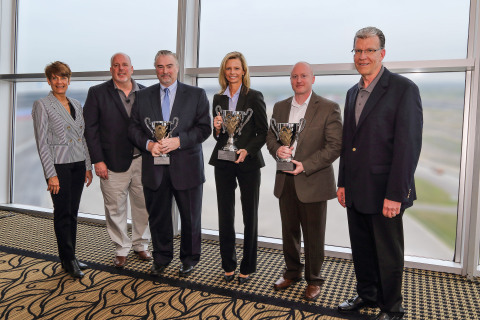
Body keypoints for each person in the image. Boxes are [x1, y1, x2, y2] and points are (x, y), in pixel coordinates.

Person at [337, 27, 423, 320]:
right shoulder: (352, 93)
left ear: (382, 54)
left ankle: (391, 307)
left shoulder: (403, 89)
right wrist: (342, 182)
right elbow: (349, 143)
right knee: (361, 248)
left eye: (369, 50)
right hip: (357, 188)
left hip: (386, 190)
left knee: (387, 253)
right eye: (358, 51)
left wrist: (396, 194)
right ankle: (368, 294)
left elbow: (408, 147)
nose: (363, 56)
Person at [128, 50, 211, 277]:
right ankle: (162, 257)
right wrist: (148, 145)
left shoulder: (196, 94)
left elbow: (205, 129)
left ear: (177, 67)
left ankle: (189, 259)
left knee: (190, 217)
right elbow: (133, 128)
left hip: (187, 167)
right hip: (154, 167)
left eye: (169, 66)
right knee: (159, 216)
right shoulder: (143, 96)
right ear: (156, 68)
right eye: (160, 67)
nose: (165, 71)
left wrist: (179, 141)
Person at [266, 62, 342, 301]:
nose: (299, 80)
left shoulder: (328, 107)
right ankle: (292, 272)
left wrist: (306, 165)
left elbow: (335, 146)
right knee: (289, 232)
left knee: (313, 235)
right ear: (291, 80)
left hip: (313, 180)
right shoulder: (279, 107)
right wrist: (277, 150)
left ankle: (314, 279)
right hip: (285, 179)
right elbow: (271, 138)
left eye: (303, 76)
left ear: (313, 79)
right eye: (294, 76)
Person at [84, 53, 152, 268]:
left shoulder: (146, 92)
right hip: (111, 162)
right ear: (111, 69)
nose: (121, 69)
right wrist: (98, 160)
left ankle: (141, 244)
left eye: (125, 65)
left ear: (132, 68)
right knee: (115, 208)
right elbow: (91, 130)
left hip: (143, 159)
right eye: (116, 65)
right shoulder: (96, 93)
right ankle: (121, 248)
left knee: (144, 205)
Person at [208, 52, 268, 284]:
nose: (232, 72)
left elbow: (262, 131)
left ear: (243, 71)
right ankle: (228, 264)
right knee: (225, 214)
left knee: (249, 214)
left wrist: (247, 150)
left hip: (248, 162)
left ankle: (248, 265)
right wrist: (217, 128)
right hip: (223, 161)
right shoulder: (217, 99)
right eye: (228, 68)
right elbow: (219, 137)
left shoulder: (254, 96)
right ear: (224, 72)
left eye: (236, 68)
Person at [32, 61, 93, 278]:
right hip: (59, 166)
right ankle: (67, 259)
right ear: (49, 81)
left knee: (73, 213)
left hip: (77, 165)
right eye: (55, 77)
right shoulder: (42, 104)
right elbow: (42, 143)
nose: (60, 81)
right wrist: (51, 174)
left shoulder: (76, 103)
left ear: (69, 79)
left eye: (64, 77)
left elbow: (82, 137)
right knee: (63, 213)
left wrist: (87, 166)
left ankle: (72, 256)